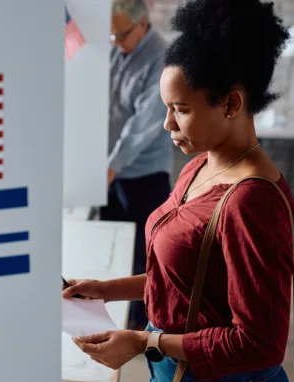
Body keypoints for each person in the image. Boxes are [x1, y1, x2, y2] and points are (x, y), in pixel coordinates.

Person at [62, 0, 294, 382]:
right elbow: (187, 280)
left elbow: (259, 344)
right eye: (166, 107)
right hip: (173, 376)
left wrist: (144, 340)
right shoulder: (199, 166)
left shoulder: (251, 203)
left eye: (182, 109)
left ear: (231, 104)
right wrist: (105, 290)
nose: (167, 124)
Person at [102, 0, 173, 330]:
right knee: (113, 248)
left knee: (147, 255)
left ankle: (148, 326)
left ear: (142, 24)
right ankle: (117, 320)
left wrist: (112, 164)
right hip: (110, 171)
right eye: (112, 36)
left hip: (145, 173)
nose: (116, 42)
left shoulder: (162, 59)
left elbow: (144, 124)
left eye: (121, 35)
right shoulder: (115, 50)